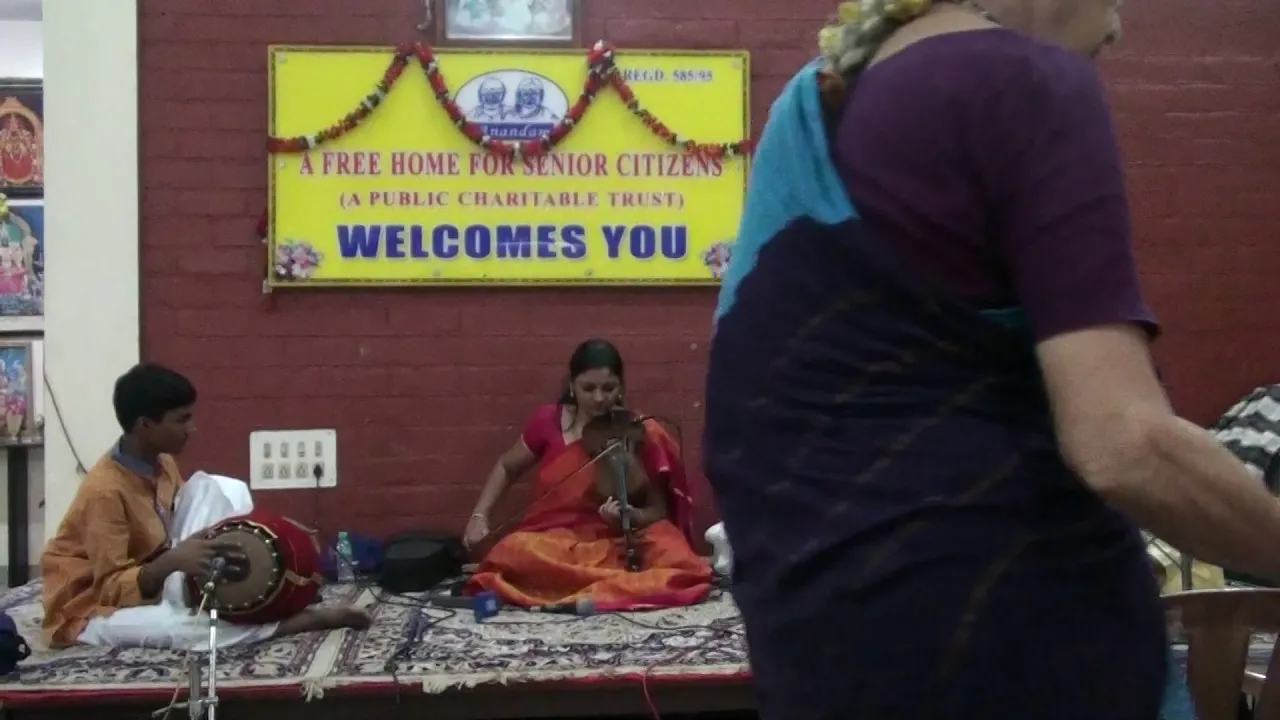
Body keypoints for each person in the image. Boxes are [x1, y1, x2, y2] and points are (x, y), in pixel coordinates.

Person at [702, 1, 1280, 718]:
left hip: (832, 657)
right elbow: (1122, 444)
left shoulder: (831, 104)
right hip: (1013, 647)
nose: (1120, 26)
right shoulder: (1025, 84)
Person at [41, 363, 370, 650]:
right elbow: (109, 589)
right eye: (181, 420)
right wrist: (172, 561)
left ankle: (237, 595)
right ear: (145, 425)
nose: (192, 428)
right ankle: (286, 623)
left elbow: (179, 523)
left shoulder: (163, 462)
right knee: (185, 628)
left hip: (161, 574)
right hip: (92, 607)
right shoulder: (103, 492)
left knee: (220, 487)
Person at [465, 339, 712, 610]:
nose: (598, 398)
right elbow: (506, 467)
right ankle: (614, 588)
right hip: (558, 541)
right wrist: (480, 515)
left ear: (621, 388)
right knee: (514, 550)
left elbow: (658, 509)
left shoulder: (637, 431)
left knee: (675, 552)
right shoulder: (548, 421)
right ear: (571, 385)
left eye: (608, 388)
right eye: (588, 388)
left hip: (616, 540)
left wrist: (627, 518)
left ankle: (574, 589)